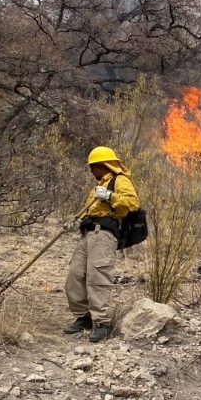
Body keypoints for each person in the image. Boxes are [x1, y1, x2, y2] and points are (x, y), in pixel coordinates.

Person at [64, 146, 140, 343]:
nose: (91, 171)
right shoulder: (98, 186)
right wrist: (77, 222)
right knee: (75, 275)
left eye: (93, 167)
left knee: (97, 277)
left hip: (104, 235)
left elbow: (133, 204)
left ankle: (102, 323)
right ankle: (83, 318)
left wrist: (109, 196)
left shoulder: (120, 181)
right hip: (88, 235)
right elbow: (91, 211)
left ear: (103, 165)